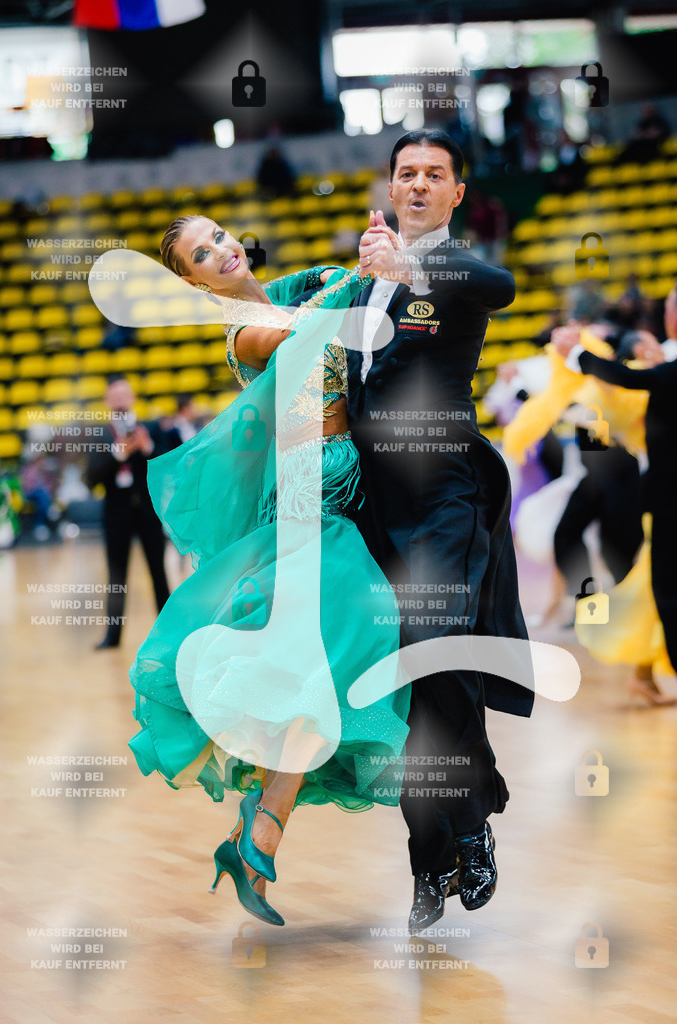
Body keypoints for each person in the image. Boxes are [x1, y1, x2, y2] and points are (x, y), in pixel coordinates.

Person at [128, 215, 411, 927]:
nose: (220, 251)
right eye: (202, 255)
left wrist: (368, 252)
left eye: (219, 236)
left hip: (350, 487)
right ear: (192, 281)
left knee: (315, 666)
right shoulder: (244, 329)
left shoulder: (288, 288)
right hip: (307, 497)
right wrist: (354, 275)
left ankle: (254, 834)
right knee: (362, 633)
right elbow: (305, 332)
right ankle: (264, 824)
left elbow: (330, 289)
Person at [346, 129, 534, 936]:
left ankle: (470, 818)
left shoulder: (449, 273)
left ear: (456, 193)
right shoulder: (361, 285)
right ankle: (431, 861)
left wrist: (413, 267)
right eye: (405, 174)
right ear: (388, 187)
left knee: (435, 645)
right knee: (408, 689)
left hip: (444, 497)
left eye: (434, 175)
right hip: (375, 510)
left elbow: (501, 287)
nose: (417, 185)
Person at [553, 297, 677, 706]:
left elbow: (629, 383)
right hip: (628, 489)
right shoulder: (642, 379)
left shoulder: (657, 374)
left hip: (640, 491)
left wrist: (578, 355)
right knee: (641, 583)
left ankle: (642, 668)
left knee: (649, 587)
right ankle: (590, 616)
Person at [86, 378, 174, 649]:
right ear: (107, 402)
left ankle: (170, 630)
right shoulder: (99, 436)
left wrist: (147, 448)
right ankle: (112, 637)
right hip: (116, 516)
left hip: (148, 513)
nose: (120, 400)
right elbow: (90, 478)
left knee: (159, 573)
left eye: (124, 395)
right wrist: (117, 455)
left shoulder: (150, 428)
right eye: (115, 396)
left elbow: (168, 465)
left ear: (133, 397)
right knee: (115, 578)